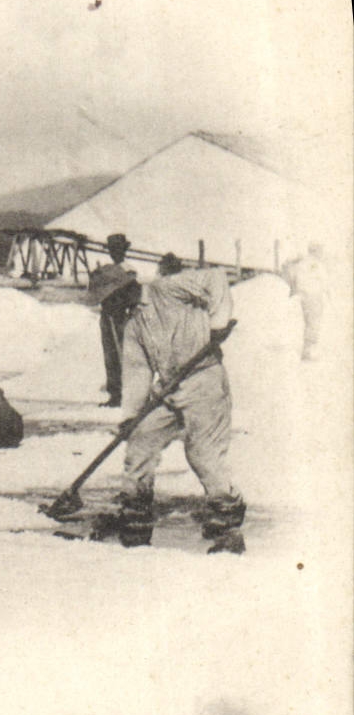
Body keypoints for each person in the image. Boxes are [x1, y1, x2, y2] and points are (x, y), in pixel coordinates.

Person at [103, 253, 245, 554]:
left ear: (125, 289)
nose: (108, 307)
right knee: (140, 441)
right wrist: (131, 417)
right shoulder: (133, 326)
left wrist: (217, 322)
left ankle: (226, 520)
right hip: (168, 388)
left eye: (110, 299)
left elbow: (216, 277)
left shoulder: (167, 288)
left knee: (203, 454)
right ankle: (136, 517)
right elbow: (137, 371)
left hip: (203, 379)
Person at [87, 233, 141, 406]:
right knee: (110, 356)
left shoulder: (128, 270)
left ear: (123, 251)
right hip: (108, 316)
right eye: (111, 250)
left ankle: (129, 394)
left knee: (124, 354)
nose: (113, 253)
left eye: (117, 250)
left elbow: (134, 297)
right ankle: (116, 394)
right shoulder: (108, 270)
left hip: (120, 317)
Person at [283, 242, 328, 361]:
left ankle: (307, 350)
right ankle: (308, 352)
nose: (321, 253)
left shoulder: (302, 263)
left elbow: (294, 278)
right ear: (315, 251)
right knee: (313, 324)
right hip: (313, 297)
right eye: (319, 250)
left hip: (306, 297)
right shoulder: (315, 264)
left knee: (310, 324)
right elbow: (323, 280)